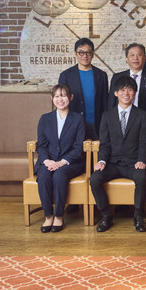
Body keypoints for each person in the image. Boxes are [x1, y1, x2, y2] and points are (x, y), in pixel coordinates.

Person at [90, 76, 146, 233]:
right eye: (122, 90)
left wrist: (141, 160)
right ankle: (106, 215)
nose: (126, 93)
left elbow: (144, 142)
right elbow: (104, 144)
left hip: (133, 163)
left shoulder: (142, 115)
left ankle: (138, 216)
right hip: (112, 163)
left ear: (135, 93)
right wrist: (102, 161)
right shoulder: (107, 116)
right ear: (116, 93)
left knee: (141, 177)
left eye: (130, 90)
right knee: (95, 178)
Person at [35, 84, 86, 233]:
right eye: (57, 96)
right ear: (52, 98)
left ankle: (58, 215)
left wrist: (61, 162)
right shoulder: (45, 119)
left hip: (70, 162)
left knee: (59, 175)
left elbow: (78, 147)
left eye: (63, 95)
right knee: (43, 176)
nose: (60, 99)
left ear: (70, 97)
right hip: (48, 161)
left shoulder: (78, 119)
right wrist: (47, 161)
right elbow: (41, 145)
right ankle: (48, 216)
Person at [58, 38, 108, 139]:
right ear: (75, 53)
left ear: (93, 54)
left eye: (88, 52)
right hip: (73, 124)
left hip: (97, 124)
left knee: (97, 149)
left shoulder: (101, 75)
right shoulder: (66, 75)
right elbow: (61, 102)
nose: (85, 56)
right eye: (81, 52)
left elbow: (105, 102)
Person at [108, 43, 146, 137]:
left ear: (144, 58)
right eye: (132, 55)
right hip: (121, 123)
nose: (135, 58)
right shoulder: (117, 77)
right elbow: (111, 103)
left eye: (139, 55)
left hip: (145, 125)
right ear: (126, 59)